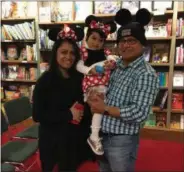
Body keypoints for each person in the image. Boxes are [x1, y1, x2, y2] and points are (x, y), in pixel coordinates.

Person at [87, 8, 159, 172]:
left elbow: (139, 113)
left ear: (142, 44)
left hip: (121, 140)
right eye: (122, 41)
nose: (126, 45)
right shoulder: (115, 65)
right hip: (102, 135)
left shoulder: (146, 74)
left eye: (132, 40)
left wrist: (103, 108)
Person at [32, 25, 92, 172]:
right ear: (56, 53)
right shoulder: (44, 81)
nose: (68, 57)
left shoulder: (79, 78)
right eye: (64, 52)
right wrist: (68, 114)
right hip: (53, 141)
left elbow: (82, 105)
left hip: (74, 140)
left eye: (72, 53)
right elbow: (37, 115)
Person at [76, 15, 117, 155]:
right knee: (99, 108)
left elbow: (112, 58)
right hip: (93, 86)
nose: (96, 43)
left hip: (105, 85)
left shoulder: (105, 52)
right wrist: (89, 70)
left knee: (106, 107)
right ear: (86, 38)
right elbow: (78, 65)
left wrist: (111, 62)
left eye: (100, 40)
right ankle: (93, 136)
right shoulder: (84, 51)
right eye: (93, 38)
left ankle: (99, 134)